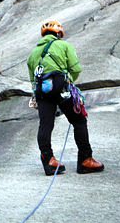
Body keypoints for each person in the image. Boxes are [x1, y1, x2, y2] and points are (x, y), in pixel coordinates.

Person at [27, 19, 104, 176]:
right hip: (62, 89)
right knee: (79, 120)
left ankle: (48, 160)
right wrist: (68, 80)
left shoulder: (32, 55)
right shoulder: (64, 45)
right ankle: (85, 160)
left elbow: (33, 81)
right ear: (58, 33)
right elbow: (76, 68)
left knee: (45, 125)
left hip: (42, 93)